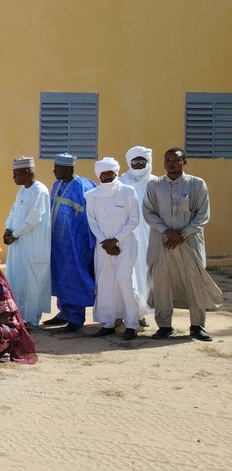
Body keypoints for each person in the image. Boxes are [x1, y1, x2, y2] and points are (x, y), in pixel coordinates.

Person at [143, 148, 223, 341]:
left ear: (184, 162)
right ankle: (164, 326)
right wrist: (166, 232)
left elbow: (202, 215)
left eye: (175, 160)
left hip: (190, 243)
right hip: (162, 243)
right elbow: (148, 212)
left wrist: (183, 234)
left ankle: (197, 326)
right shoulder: (154, 185)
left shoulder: (196, 184)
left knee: (194, 283)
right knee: (162, 283)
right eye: (167, 160)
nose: (170, 163)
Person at [85, 158, 143, 340]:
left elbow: (134, 219)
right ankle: (107, 323)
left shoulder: (127, 191)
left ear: (116, 173)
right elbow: (92, 222)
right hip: (104, 246)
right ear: (98, 175)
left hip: (125, 243)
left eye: (111, 173)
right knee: (105, 282)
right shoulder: (92, 195)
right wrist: (105, 242)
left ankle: (132, 324)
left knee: (124, 280)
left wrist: (116, 240)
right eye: (104, 173)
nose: (108, 177)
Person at [44, 153, 96, 333]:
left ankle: (76, 317)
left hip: (75, 242)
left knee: (75, 276)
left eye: (57, 168)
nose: (54, 171)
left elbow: (87, 216)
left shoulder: (82, 186)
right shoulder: (57, 184)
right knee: (60, 275)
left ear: (67, 169)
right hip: (57, 241)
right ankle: (64, 312)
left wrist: (82, 241)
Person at [3, 157, 52, 328]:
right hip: (18, 245)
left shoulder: (40, 191)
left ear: (26, 172)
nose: (13, 178)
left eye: (16, 174)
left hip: (33, 247)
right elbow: (13, 211)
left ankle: (32, 320)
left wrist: (15, 233)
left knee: (32, 282)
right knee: (18, 279)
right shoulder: (22, 191)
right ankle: (20, 317)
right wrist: (8, 229)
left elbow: (34, 218)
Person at [118, 145, 158, 326]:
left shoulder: (156, 183)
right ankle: (120, 312)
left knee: (143, 272)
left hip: (148, 235)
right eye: (135, 162)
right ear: (129, 163)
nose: (139, 165)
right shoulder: (120, 182)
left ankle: (140, 313)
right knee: (123, 273)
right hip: (123, 235)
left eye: (142, 162)